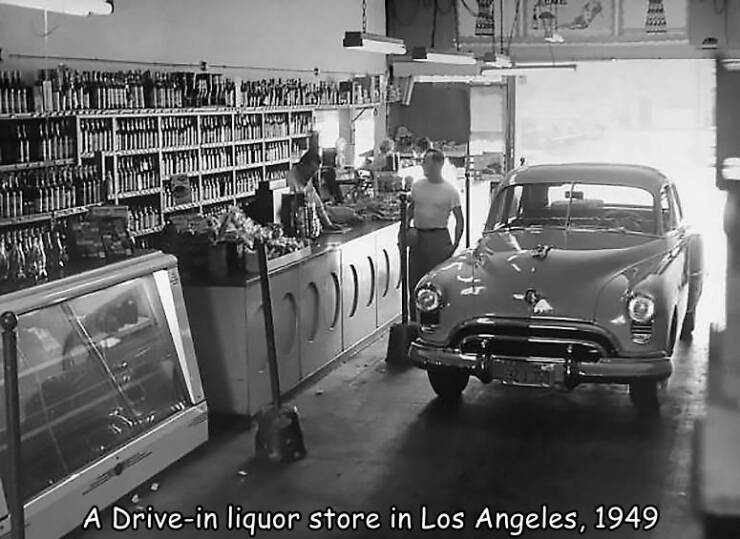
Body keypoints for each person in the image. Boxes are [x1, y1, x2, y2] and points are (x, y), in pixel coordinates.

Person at [403, 148, 464, 318]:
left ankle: (438, 321)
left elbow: (460, 220)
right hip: (418, 239)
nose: (423, 166)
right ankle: (414, 322)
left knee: (438, 284)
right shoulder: (417, 186)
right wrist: (406, 229)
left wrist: (455, 246)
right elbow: (410, 210)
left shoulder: (450, 191)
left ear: (439, 164)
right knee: (415, 283)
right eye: (423, 162)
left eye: (426, 162)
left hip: (439, 239)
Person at [287, 151, 341, 230]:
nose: (312, 175)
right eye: (312, 171)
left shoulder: (307, 179)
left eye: (315, 172)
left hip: (306, 225)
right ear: (302, 165)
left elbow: (318, 205)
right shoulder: (290, 180)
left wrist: (329, 225)